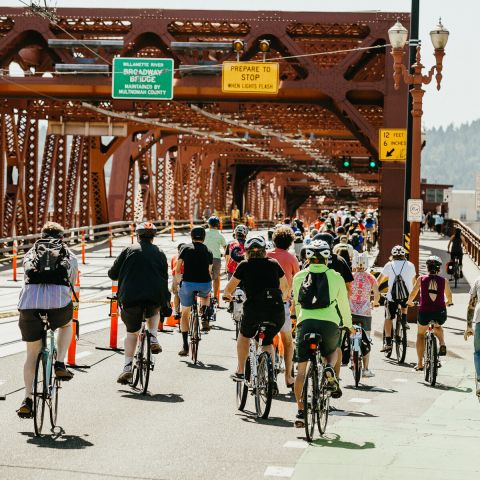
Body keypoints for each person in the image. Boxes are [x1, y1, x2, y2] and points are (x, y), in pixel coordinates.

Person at [16, 222, 78, 418]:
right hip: (58, 303)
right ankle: (60, 363)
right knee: (67, 324)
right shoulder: (69, 254)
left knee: (32, 354)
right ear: (62, 238)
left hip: (29, 305)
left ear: (41, 236)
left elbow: (26, 278)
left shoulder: (31, 253)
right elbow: (72, 283)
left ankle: (27, 398)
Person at [292, 240, 354, 427]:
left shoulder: (299, 276)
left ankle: (301, 412)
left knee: (301, 370)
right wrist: (348, 325)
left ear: (308, 258)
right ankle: (328, 367)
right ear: (327, 258)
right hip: (329, 323)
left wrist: (297, 320)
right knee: (332, 349)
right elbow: (343, 305)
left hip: (306, 322)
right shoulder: (336, 277)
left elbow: (297, 303)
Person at [108, 222, 171, 384]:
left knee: (131, 334)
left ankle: (127, 368)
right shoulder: (160, 252)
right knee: (155, 309)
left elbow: (112, 274)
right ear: (153, 237)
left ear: (138, 235)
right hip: (153, 296)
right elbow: (164, 276)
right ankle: (154, 337)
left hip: (131, 298)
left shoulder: (128, 250)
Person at [223, 236, 289, 383]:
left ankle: (240, 371)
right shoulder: (274, 264)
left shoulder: (244, 265)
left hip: (254, 311)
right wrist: (283, 298)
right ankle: (271, 378)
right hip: (276, 311)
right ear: (264, 251)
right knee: (267, 342)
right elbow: (285, 288)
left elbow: (229, 289)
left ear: (246, 252)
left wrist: (227, 297)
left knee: (244, 336)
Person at [267, 226, 300, 388]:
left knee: (265, 338)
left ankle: (267, 369)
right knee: (287, 341)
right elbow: (298, 280)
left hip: (264, 302)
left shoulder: (267, 255)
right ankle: (288, 377)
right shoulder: (292, 258)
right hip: (283, 303)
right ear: (290, 242)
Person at [407, 255, 453, 370]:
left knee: (420, 334)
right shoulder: (444, 281)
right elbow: (449, 296)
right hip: (440, 313)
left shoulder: (421, 279)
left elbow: (413, 292)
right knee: (438, 326)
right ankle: (442, 343)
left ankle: (420, 363)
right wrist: (448, 302)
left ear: (427, 268)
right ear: (439, 269)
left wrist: (409, 302)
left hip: (425, 312)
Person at [176, 227, 213, 352]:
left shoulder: (185, 248)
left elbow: (177, 268)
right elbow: (209, 270)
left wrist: (178, 281)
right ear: (204, 237)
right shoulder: (208, 250)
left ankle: (185, 346)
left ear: (191, 236)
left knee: (185, 313)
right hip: (205, 284)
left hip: (188, 284)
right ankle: (204, 314)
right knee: (206, 295)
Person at [376, 245, 416, 353]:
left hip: (392, 297)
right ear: (404, 255)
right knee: (405, 301)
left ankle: (388, 343)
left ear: (393, 256)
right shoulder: (411, 265)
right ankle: (404, 319)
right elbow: (414, 281)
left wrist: (375, 291)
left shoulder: (389, 265)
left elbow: (379, 280)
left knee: (388, 317)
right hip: (406, 297)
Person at [350, 253, 380, 377]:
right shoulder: (371, 278)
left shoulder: (350, 276)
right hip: (365, 312)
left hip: (351, 311)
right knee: (366, 339)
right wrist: (376, 302)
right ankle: (366, 369)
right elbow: (377, 293)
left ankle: (352, 357)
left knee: (350, 334)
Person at [203, 216, 227, 302]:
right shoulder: (220, 235)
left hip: (204, 258)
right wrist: (224, 255)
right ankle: (215, 296)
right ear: (217, 225)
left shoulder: (204, 232)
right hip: (216, 258)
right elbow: (226, 248)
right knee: (216, 277)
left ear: (208, 224)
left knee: (204, 276)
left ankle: (205, 294)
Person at [465, 275, 480, 397]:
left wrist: (469, 326)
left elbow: (471, 305)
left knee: (478, 352)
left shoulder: (478, 280)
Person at [171, 243, 186, 319]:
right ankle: (185, 311)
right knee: (187, 295)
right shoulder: (188, 257)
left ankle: (176, 311)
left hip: (175, 277)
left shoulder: (174, 257)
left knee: (176, 294)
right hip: (186, 277)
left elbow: (172, 269)